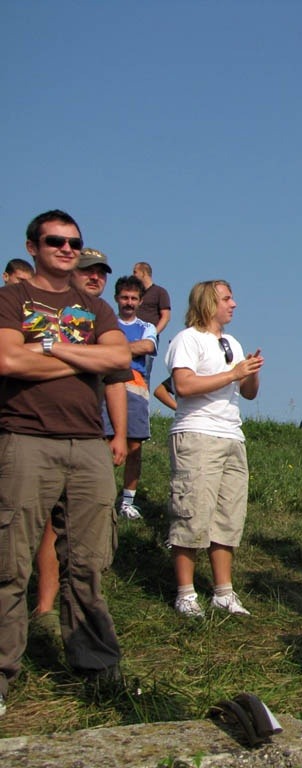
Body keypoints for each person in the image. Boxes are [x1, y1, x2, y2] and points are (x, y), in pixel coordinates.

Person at [0, 210, 131, 719]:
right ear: (33, 245)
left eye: (74, 242)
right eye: (55, 240)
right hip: (25, 439)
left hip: (88, 444)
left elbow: (118, 360)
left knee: (89, 563)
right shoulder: (11, 299)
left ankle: (96, 669)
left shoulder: (95, 307)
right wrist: (83, 354)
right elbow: (9, 362)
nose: (66, 248)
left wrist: (48, 345)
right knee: (9, 564)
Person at [165, 280, 263, 619]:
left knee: (228, 516)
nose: (233, 304)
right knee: (192, 512)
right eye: (226, 298)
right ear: (209, 303)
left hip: (232, 436)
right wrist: (233, 373)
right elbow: (184, 385)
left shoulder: (231, 342)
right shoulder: (187, 339)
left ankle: (223, 592)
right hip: (198, 434)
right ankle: (185, 593)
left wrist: (249, 373)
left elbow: (248, 393)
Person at [106, 275, 157, 520]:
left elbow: (147, 346)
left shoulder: (147, 327)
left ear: (140, 301)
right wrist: (128, 348)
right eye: (125, 297)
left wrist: (112, 350)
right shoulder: (107, 323)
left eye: (133, 298)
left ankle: (127, 501)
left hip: (136, 389)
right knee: (104, 442)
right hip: (108, 386)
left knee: (134, 447)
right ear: (117, 298)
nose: (128, 302)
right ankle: (103, 496)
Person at [132, 261, 171, 381]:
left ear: (144, 273)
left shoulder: (160, 292)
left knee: (144, 373)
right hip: (131, 336)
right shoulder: (137, 294)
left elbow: (166, 316)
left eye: (135, 272)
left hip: (147, 339)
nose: (133, 275)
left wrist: (153, 334)